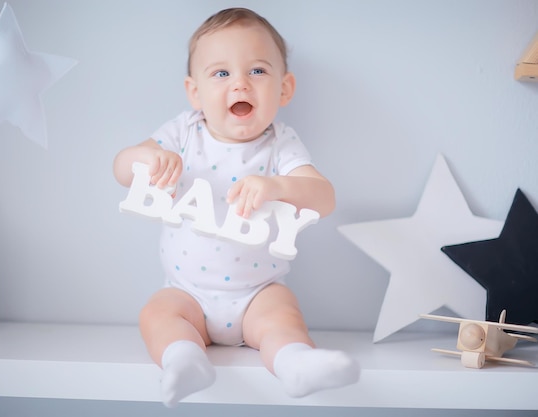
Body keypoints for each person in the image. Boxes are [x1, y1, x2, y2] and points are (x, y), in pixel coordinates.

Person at [113, 7, 360, 407]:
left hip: (258, 293)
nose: (240, 84)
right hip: (186, 293)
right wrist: (148, 160)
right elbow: (121, 168)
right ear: (195, 92)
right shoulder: (182, 132)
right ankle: (184, 360)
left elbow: (324, 196)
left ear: (285, 88)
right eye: (221, 73)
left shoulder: (281, 144)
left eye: (258, 71)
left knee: (283, 316)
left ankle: (295, 364)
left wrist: (278, 185)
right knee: (155, 315)